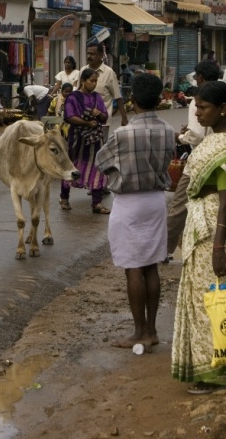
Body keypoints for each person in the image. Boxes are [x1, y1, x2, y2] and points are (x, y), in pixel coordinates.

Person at [96, 74, 175, 348]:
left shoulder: (122, 134)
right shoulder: (167, 130)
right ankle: (151, 331)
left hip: (129, 203)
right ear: (159, 99)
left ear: (132, 100)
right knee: (151, 265)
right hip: (155, 200)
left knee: (132, 267)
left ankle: (139, 332)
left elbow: (101, 161)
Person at [171, 81, 226, 394]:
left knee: (211, 303)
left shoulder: (223, 146)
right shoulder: (212, 140)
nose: (196, 112)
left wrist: (219, 247)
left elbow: (225, 197)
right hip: (200, 229)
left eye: (203, 107)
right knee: (205, 300)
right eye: (196, 106)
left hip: (213, 234)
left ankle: (213, 374)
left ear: (223, 109)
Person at [167, 60, 220, 255]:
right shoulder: (220, 93)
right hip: (217, 157)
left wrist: (181, 136)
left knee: (178, 207)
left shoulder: (198, 98)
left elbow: (197, 134)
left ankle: (165, 249)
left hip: (200, 160)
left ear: (200, 77)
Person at [59, 68, 109, 213]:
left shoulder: (97, 97)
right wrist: (87, 123)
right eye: (92, 81)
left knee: (98, 167)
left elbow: (105, 117)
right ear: (83, 81)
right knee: (71, 167)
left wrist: (99, 113)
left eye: (96, 81)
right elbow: (69, 116)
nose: (94, 84)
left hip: (95, 139)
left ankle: (97, 203)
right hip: (78, 139)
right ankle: (64, 198)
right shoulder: (73, 97)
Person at [79, 43, 128, 128]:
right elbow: (78, 92)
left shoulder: (109, 73)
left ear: (101, 55)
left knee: (101, 142)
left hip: (102, 122)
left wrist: (124, 117)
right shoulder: (83, 70)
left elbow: (117, 96)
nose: (89, 56)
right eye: (88, 53)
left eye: (92, 54)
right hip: (84, 120)